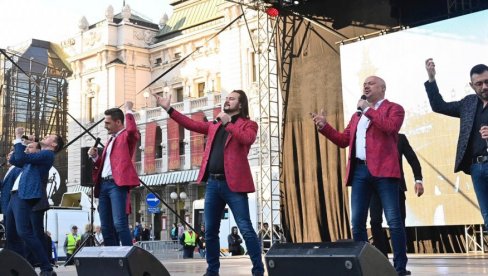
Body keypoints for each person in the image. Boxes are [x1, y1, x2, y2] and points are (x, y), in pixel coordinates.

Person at [155, 90, 264, 276]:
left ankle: (258, 271)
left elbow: (247, 139)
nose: (227, 100)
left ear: (241, 104)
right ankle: (212, 271)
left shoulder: (248, 124)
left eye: (232, 98)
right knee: (210, 231)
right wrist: (169, 109)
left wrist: (228, 123)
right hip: (213, 183)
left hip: (234, 185)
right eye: (227, 98)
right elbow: (192, 124)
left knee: (245, 228)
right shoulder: (214, 125)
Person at [311, 76, 409, 275]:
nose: (366, 85)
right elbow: (343, 140)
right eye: (364, 83)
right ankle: (365, 266)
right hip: (359, 172)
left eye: (371, 83)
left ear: (383, 88)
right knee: (357, 223)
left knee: (394, 221)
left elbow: (390, 127)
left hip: (384, 171)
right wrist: (325, 127)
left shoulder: (394, 108)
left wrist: (367, 110)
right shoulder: (357, 116)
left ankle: (399, 268)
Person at [424, 60, 488, 232]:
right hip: (477, 167)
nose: (484, 86)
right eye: (479, 83)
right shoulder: (468, 103)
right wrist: (431, 80)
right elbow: (439, 106)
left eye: (487, 82)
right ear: (472, 85)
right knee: (487, 214)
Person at [6, 127, 64, 276]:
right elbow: (14, 159)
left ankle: (46, 267)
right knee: (11, 233)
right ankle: (14, 267)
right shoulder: (37, 157)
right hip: (15, 196)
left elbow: (22, 158)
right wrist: (24, 145)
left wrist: (19, 138)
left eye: (50, 136)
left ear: (54, 145)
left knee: (24, 232)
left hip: (24, 195)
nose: (46, 135)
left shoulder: (47, 154)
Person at [88, 101, 141, 246]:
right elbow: (105, 165)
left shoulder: (127, 136)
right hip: (104, 184)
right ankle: (112, 255)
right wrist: (95, 157)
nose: (105, 125)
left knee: (119, 223)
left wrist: (129, 111)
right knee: (106, 226)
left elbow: (132, 131)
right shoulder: (110, 140)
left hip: (117, 185)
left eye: (108, 122)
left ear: (118, 122)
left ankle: (128, 254)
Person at [369, 133, 424, 256]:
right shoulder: (371, 137)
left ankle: (399, 260)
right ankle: (381, 257)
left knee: (398, 222)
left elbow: (413, 159)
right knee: (375, 221)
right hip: (375, 187)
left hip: (395, 186)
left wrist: (418, 180)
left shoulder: (400, 138)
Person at [0, 151, 22, 227]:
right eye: (8, 155)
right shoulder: (10, 170)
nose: (8, 157)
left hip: (11, 206)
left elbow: (16, 188)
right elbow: (4, 186)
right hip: (6, 206)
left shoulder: (17, 169)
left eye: (11, 155)